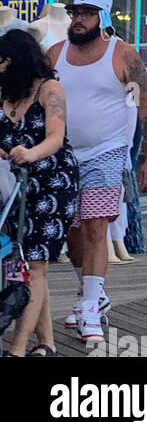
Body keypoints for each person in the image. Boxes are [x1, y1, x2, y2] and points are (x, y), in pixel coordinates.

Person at [47, 0, 147, 346]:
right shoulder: (56, 54)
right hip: (62, 154)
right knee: (73, 231)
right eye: (74, 11)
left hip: (107, 151)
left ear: (104, 17)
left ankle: (90, 307)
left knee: (96, 224)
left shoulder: (123, 54)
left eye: (88, 12)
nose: (78, 18)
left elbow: (146, 106)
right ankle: (90, 295)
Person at [0, 27, 80, 357]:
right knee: (33, 266)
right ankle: (46, 343)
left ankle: (17, 351)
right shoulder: (4, 94)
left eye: (4, 61)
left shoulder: (50, 89)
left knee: (35, 265)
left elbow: (56, 137)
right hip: (13, 186)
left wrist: (31, 153)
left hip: (52, 183)